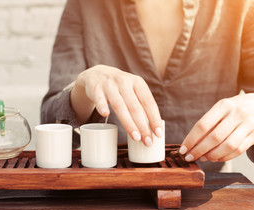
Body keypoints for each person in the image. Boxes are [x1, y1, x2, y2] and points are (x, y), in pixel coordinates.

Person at [41, 0, 254, 171]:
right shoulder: (84, 5)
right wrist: (83, 88)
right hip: (110, 194)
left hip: (208, 194)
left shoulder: (241, 6)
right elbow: (51, 122)